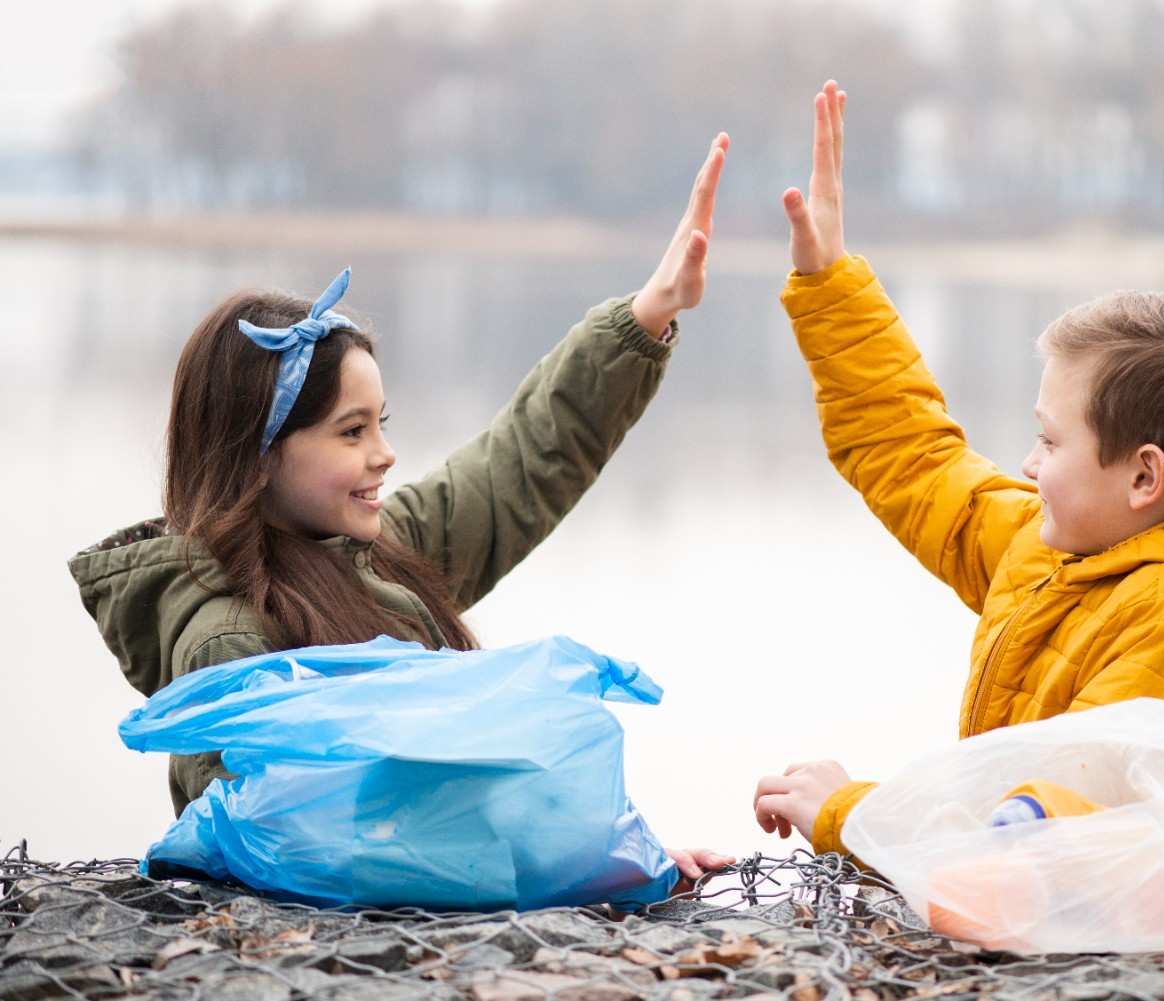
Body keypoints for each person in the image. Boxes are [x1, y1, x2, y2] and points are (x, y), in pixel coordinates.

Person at [70, 134, 734, 886]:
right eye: (353, 431)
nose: (384, 453)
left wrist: (648, 314)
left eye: (384, 422)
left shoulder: (378, 550)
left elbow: (518, 465)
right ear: (257, 457)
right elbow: (314, 846)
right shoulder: (232, 637)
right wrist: (589, 867)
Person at [752, 83, 1164, 859]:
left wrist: (847, 813)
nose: (1029, 466)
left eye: (1050, 442)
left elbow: (1036, 845)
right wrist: (832, 286)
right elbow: (916, 458)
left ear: (1144, 477)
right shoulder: (1063, 544)